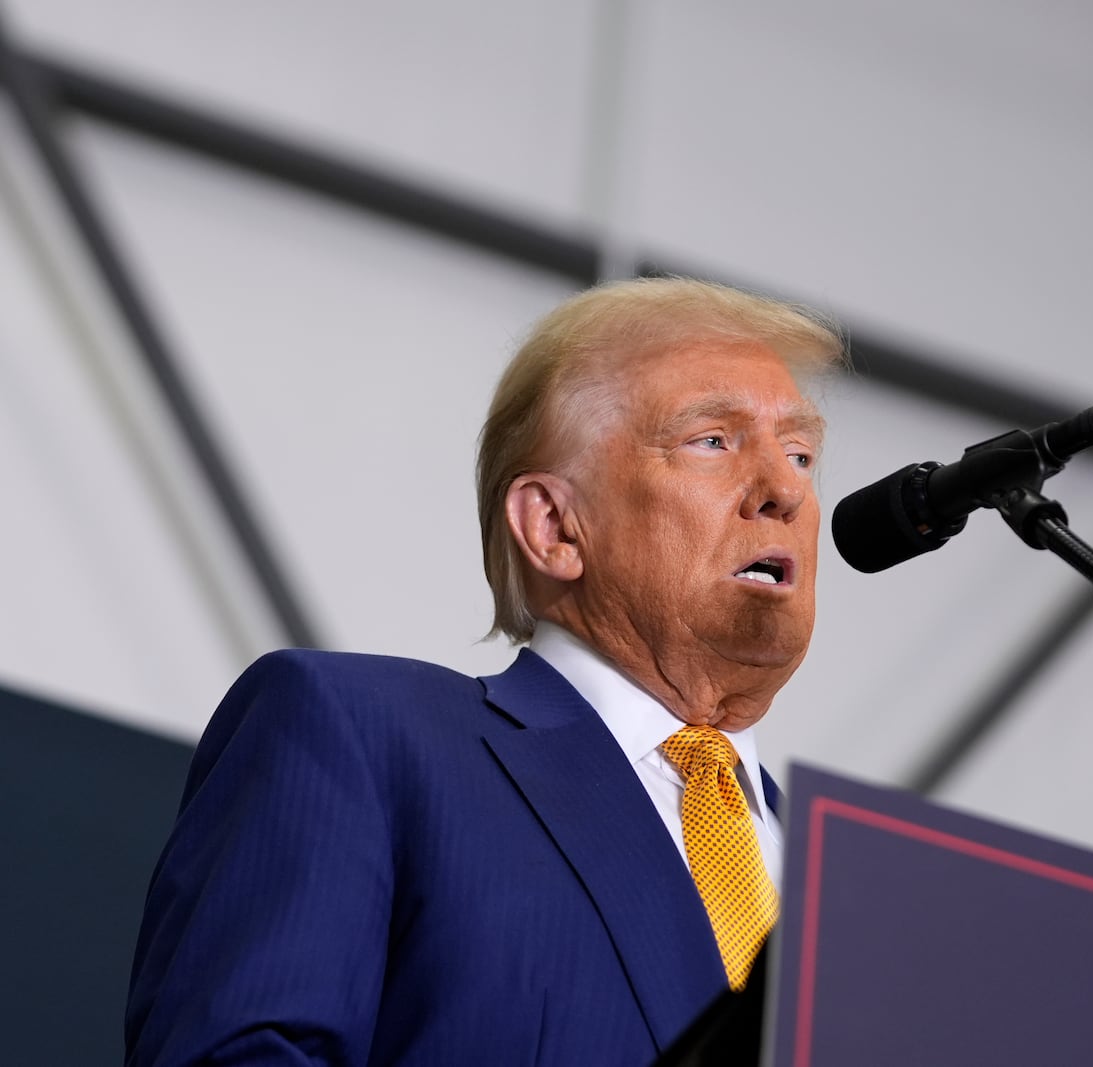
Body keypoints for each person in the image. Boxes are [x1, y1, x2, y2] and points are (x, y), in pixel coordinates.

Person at [124, 277, 847, 1066]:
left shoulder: (849, 907)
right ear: (554, 526)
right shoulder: (363, 734)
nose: (786, 491)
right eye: (712, 440)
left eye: (801, 453)